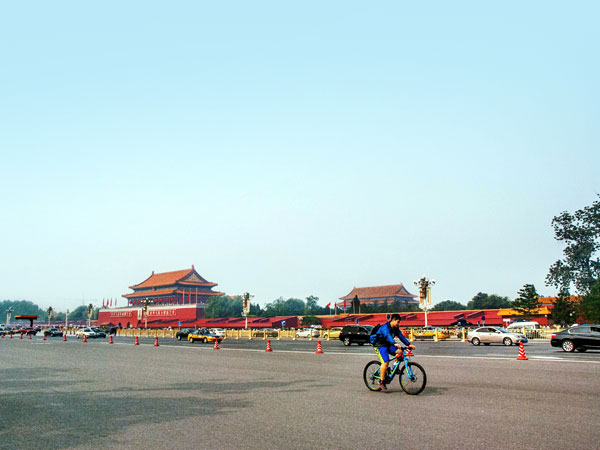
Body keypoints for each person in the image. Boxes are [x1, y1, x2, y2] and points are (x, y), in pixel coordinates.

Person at [371, 314, 415, 391]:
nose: (398, 324)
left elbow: (401, 336)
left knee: (400, 352)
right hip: (380, 345)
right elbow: (387, 336)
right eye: (397, 322)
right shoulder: (385, 327)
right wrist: (394, 343)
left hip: (388, 344)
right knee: (385, 362)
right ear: (393, 319)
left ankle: (394, 368)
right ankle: (381, 381)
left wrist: (409, 344)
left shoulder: (395, 328)